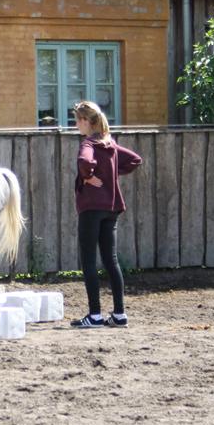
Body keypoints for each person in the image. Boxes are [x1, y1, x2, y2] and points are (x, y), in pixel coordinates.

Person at [70, 100, 142, 328]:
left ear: (85, 121)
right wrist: (110, 173)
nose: (76, 125)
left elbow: (84, 161)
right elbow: (134, 160)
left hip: (91, 207)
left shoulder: (89, 143)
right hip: (111, 208)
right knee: (111, 260)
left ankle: (95, 315)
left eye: (76, 121)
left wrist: (88, 175)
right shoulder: (109, 143)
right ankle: (119, 314)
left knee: (89, 261)